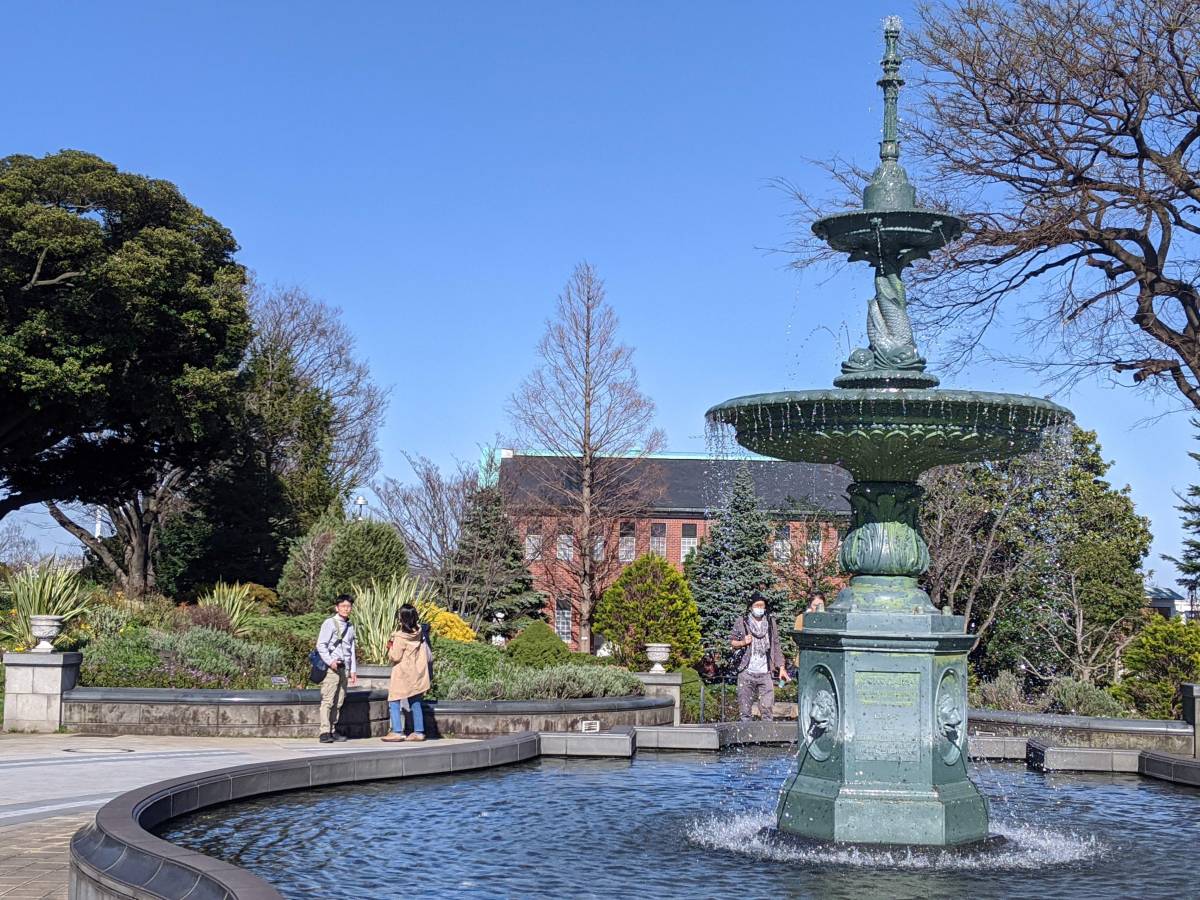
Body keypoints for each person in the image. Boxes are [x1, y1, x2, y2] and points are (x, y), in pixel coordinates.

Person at [730, 591, 789, 721]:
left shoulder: (770, 622)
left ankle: (766, 739)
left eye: (762, 606)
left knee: (767, 709)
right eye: (757, 605)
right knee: (745, 711)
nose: (760, 608)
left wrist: (781, 667)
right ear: (751, 607)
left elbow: (776, 645)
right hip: (746, 671)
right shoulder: (742, 622)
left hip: (765, 672)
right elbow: (732, 642)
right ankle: (746, 739)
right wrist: (743, 642)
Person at [382, 603, 432, 743]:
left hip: (402, 672)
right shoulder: (419, 632)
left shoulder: (400, 636)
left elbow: (395, 656)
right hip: (416, 672)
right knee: (415, 701)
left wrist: (390, 647)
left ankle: (397, 731)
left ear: (402, 618)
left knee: (394, 700)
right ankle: (419, 731)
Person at [316, 594, 358, 743]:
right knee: (328, 700)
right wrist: (330, 661)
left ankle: (333, 729)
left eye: (349, 606)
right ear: (337, 607)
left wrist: (353, 669)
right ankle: (324, 731)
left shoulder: (350, 626)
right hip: (331, 668)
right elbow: (321, 645)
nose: (346, 609)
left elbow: (351, 648)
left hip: (344, 668)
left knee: (339, 700)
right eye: (343, 606)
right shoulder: (330, 623)